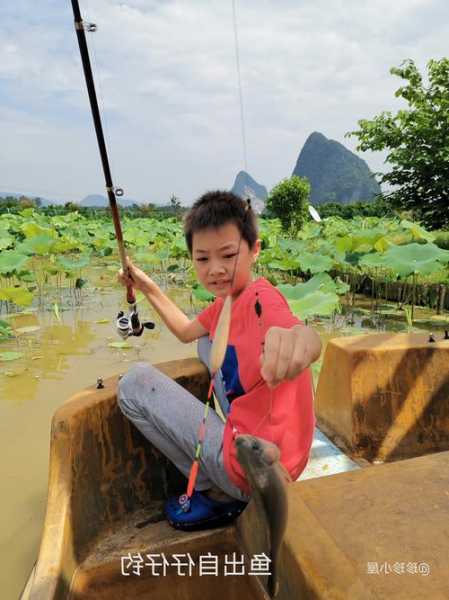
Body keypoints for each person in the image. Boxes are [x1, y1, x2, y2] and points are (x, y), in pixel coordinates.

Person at [117, 190, 321, 531]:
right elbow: (185, 330)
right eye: (202, 259)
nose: (215, 270)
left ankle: (214, 492)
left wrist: (303, 340)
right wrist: (147, 285)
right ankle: (227, 449)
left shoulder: (262, 301)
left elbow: (293, 330)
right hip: (287, 456)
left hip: (257, 471)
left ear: (254, 251)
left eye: (228, 255)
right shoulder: (227, 302)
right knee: (205, 343)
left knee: (133, 383)